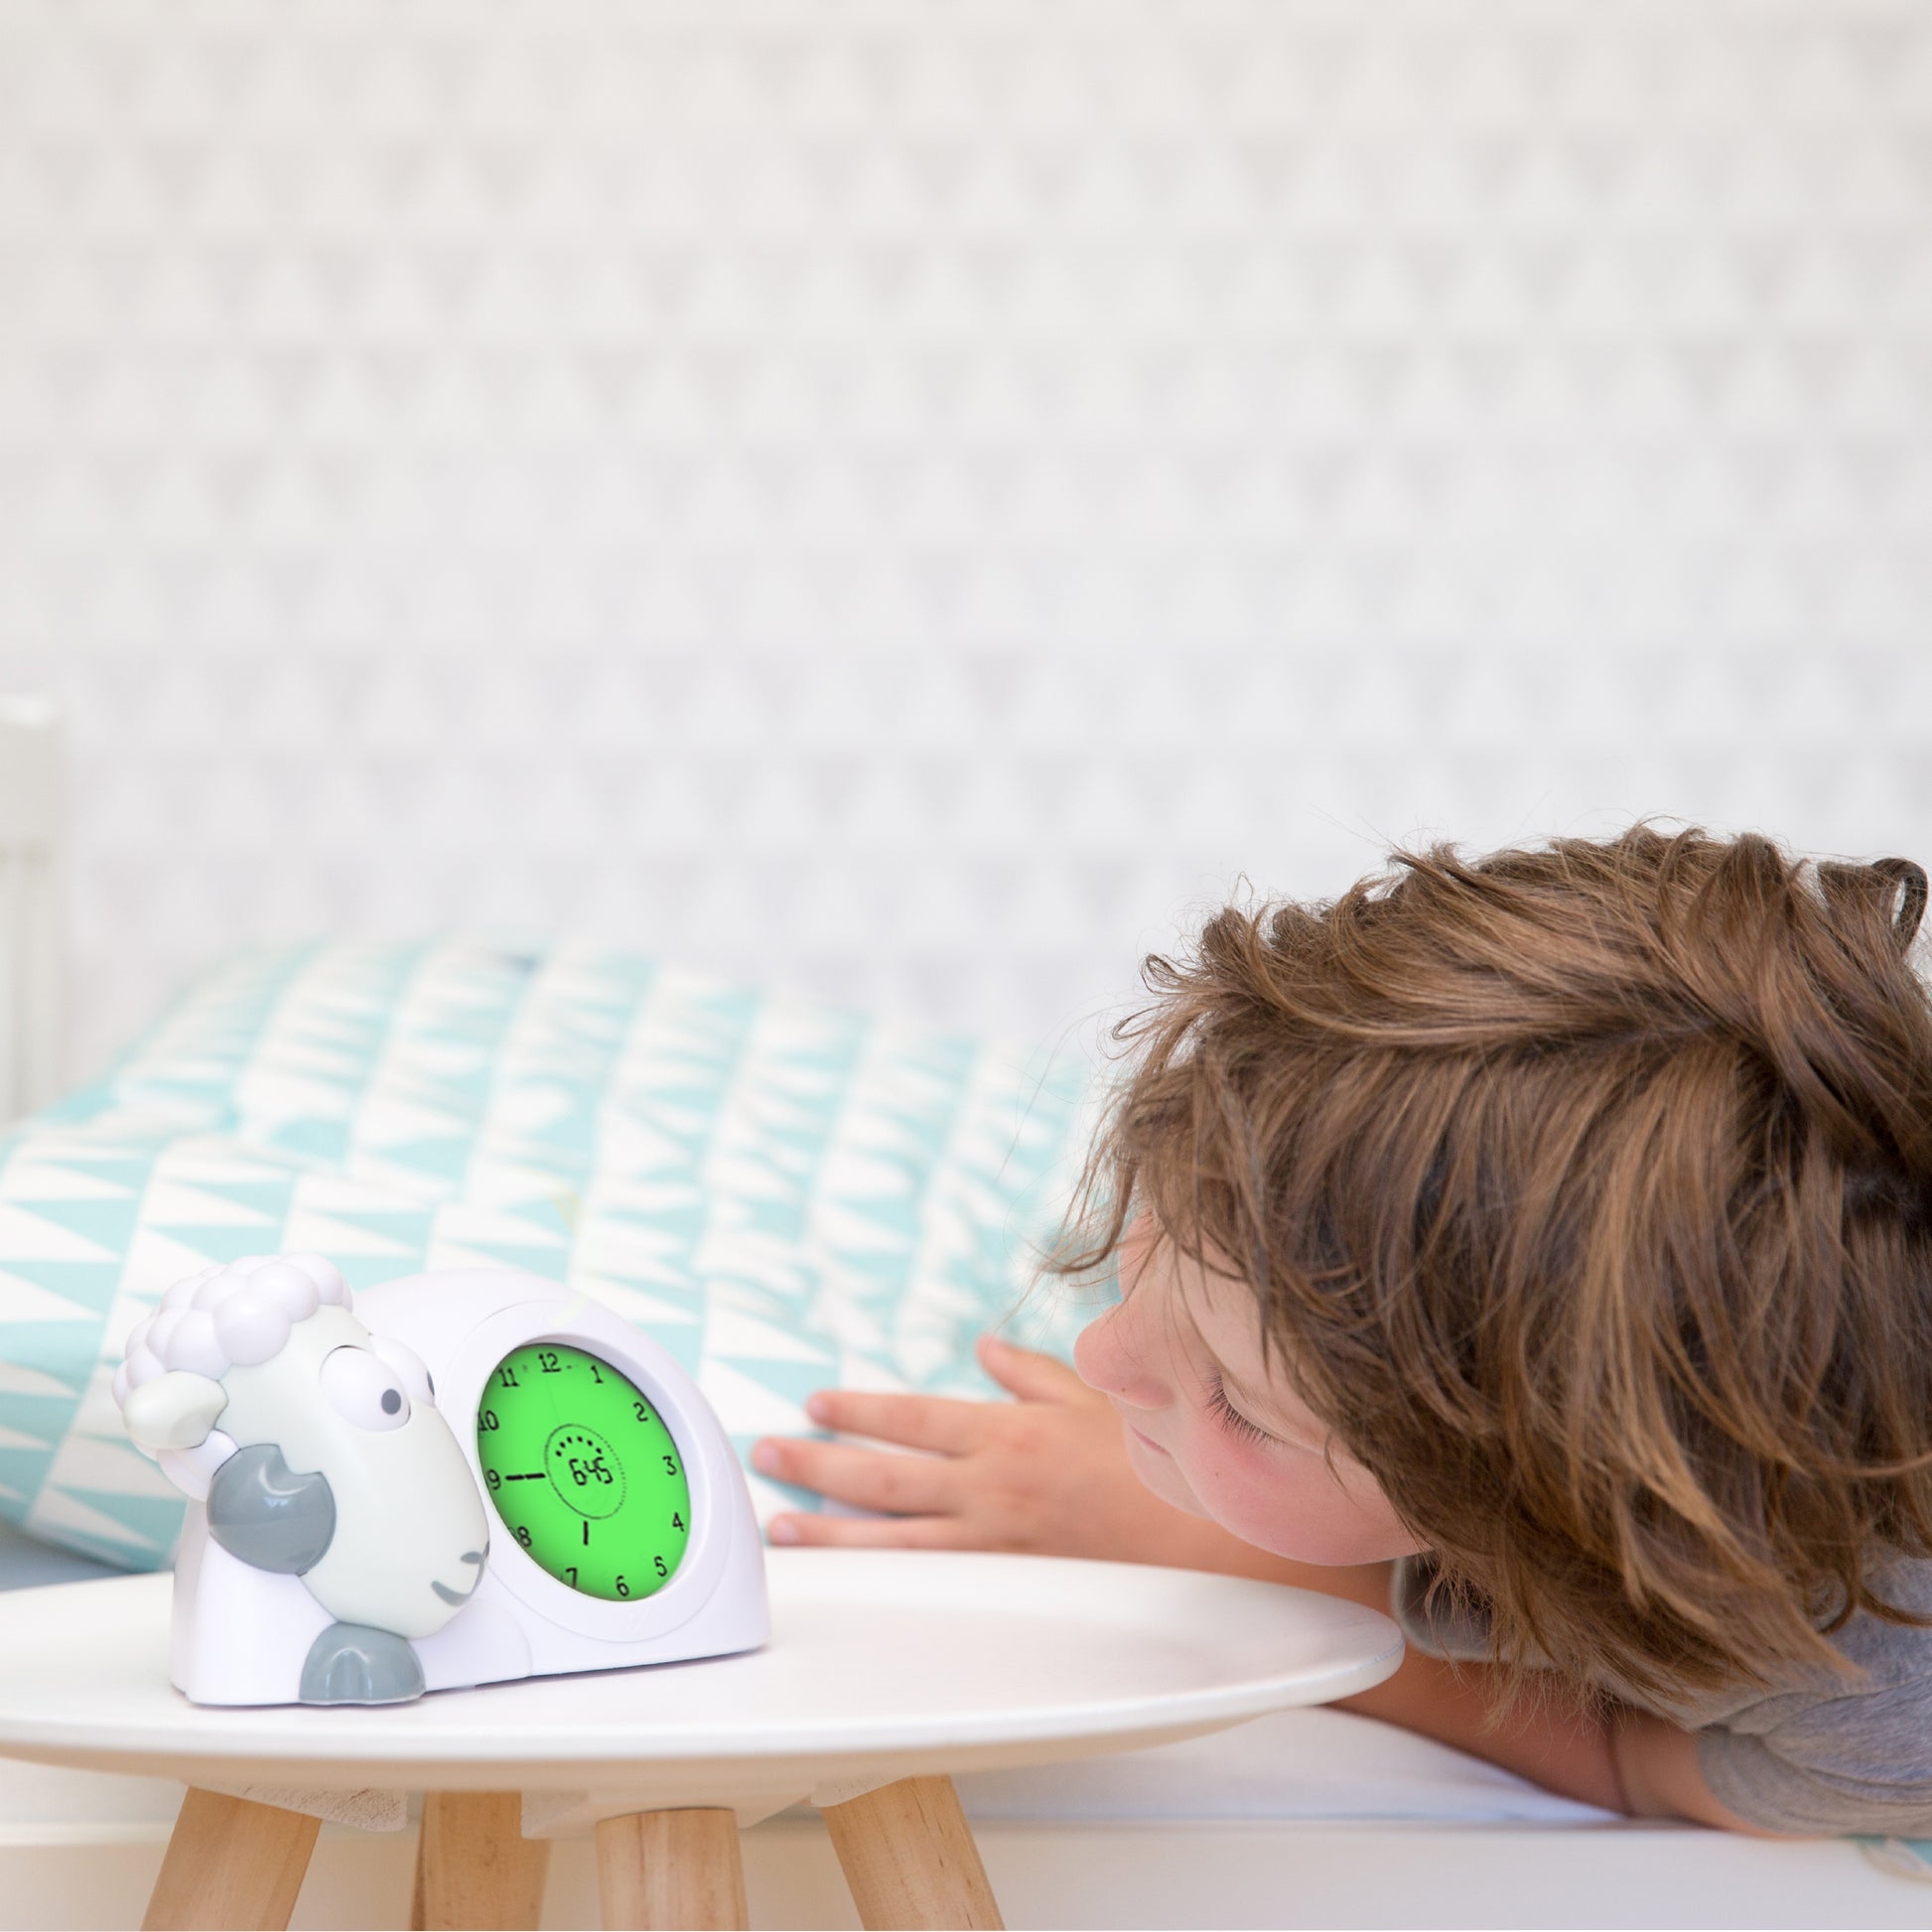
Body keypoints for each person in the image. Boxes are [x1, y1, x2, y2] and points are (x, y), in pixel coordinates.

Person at [750, 825, 1932, 1838]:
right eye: (1157, 1228)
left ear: (1549, 1520)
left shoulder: (1872, 1698)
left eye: (1235, 1401)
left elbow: (1632, 1756)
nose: (1100, 1357)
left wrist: (1215, 1555)